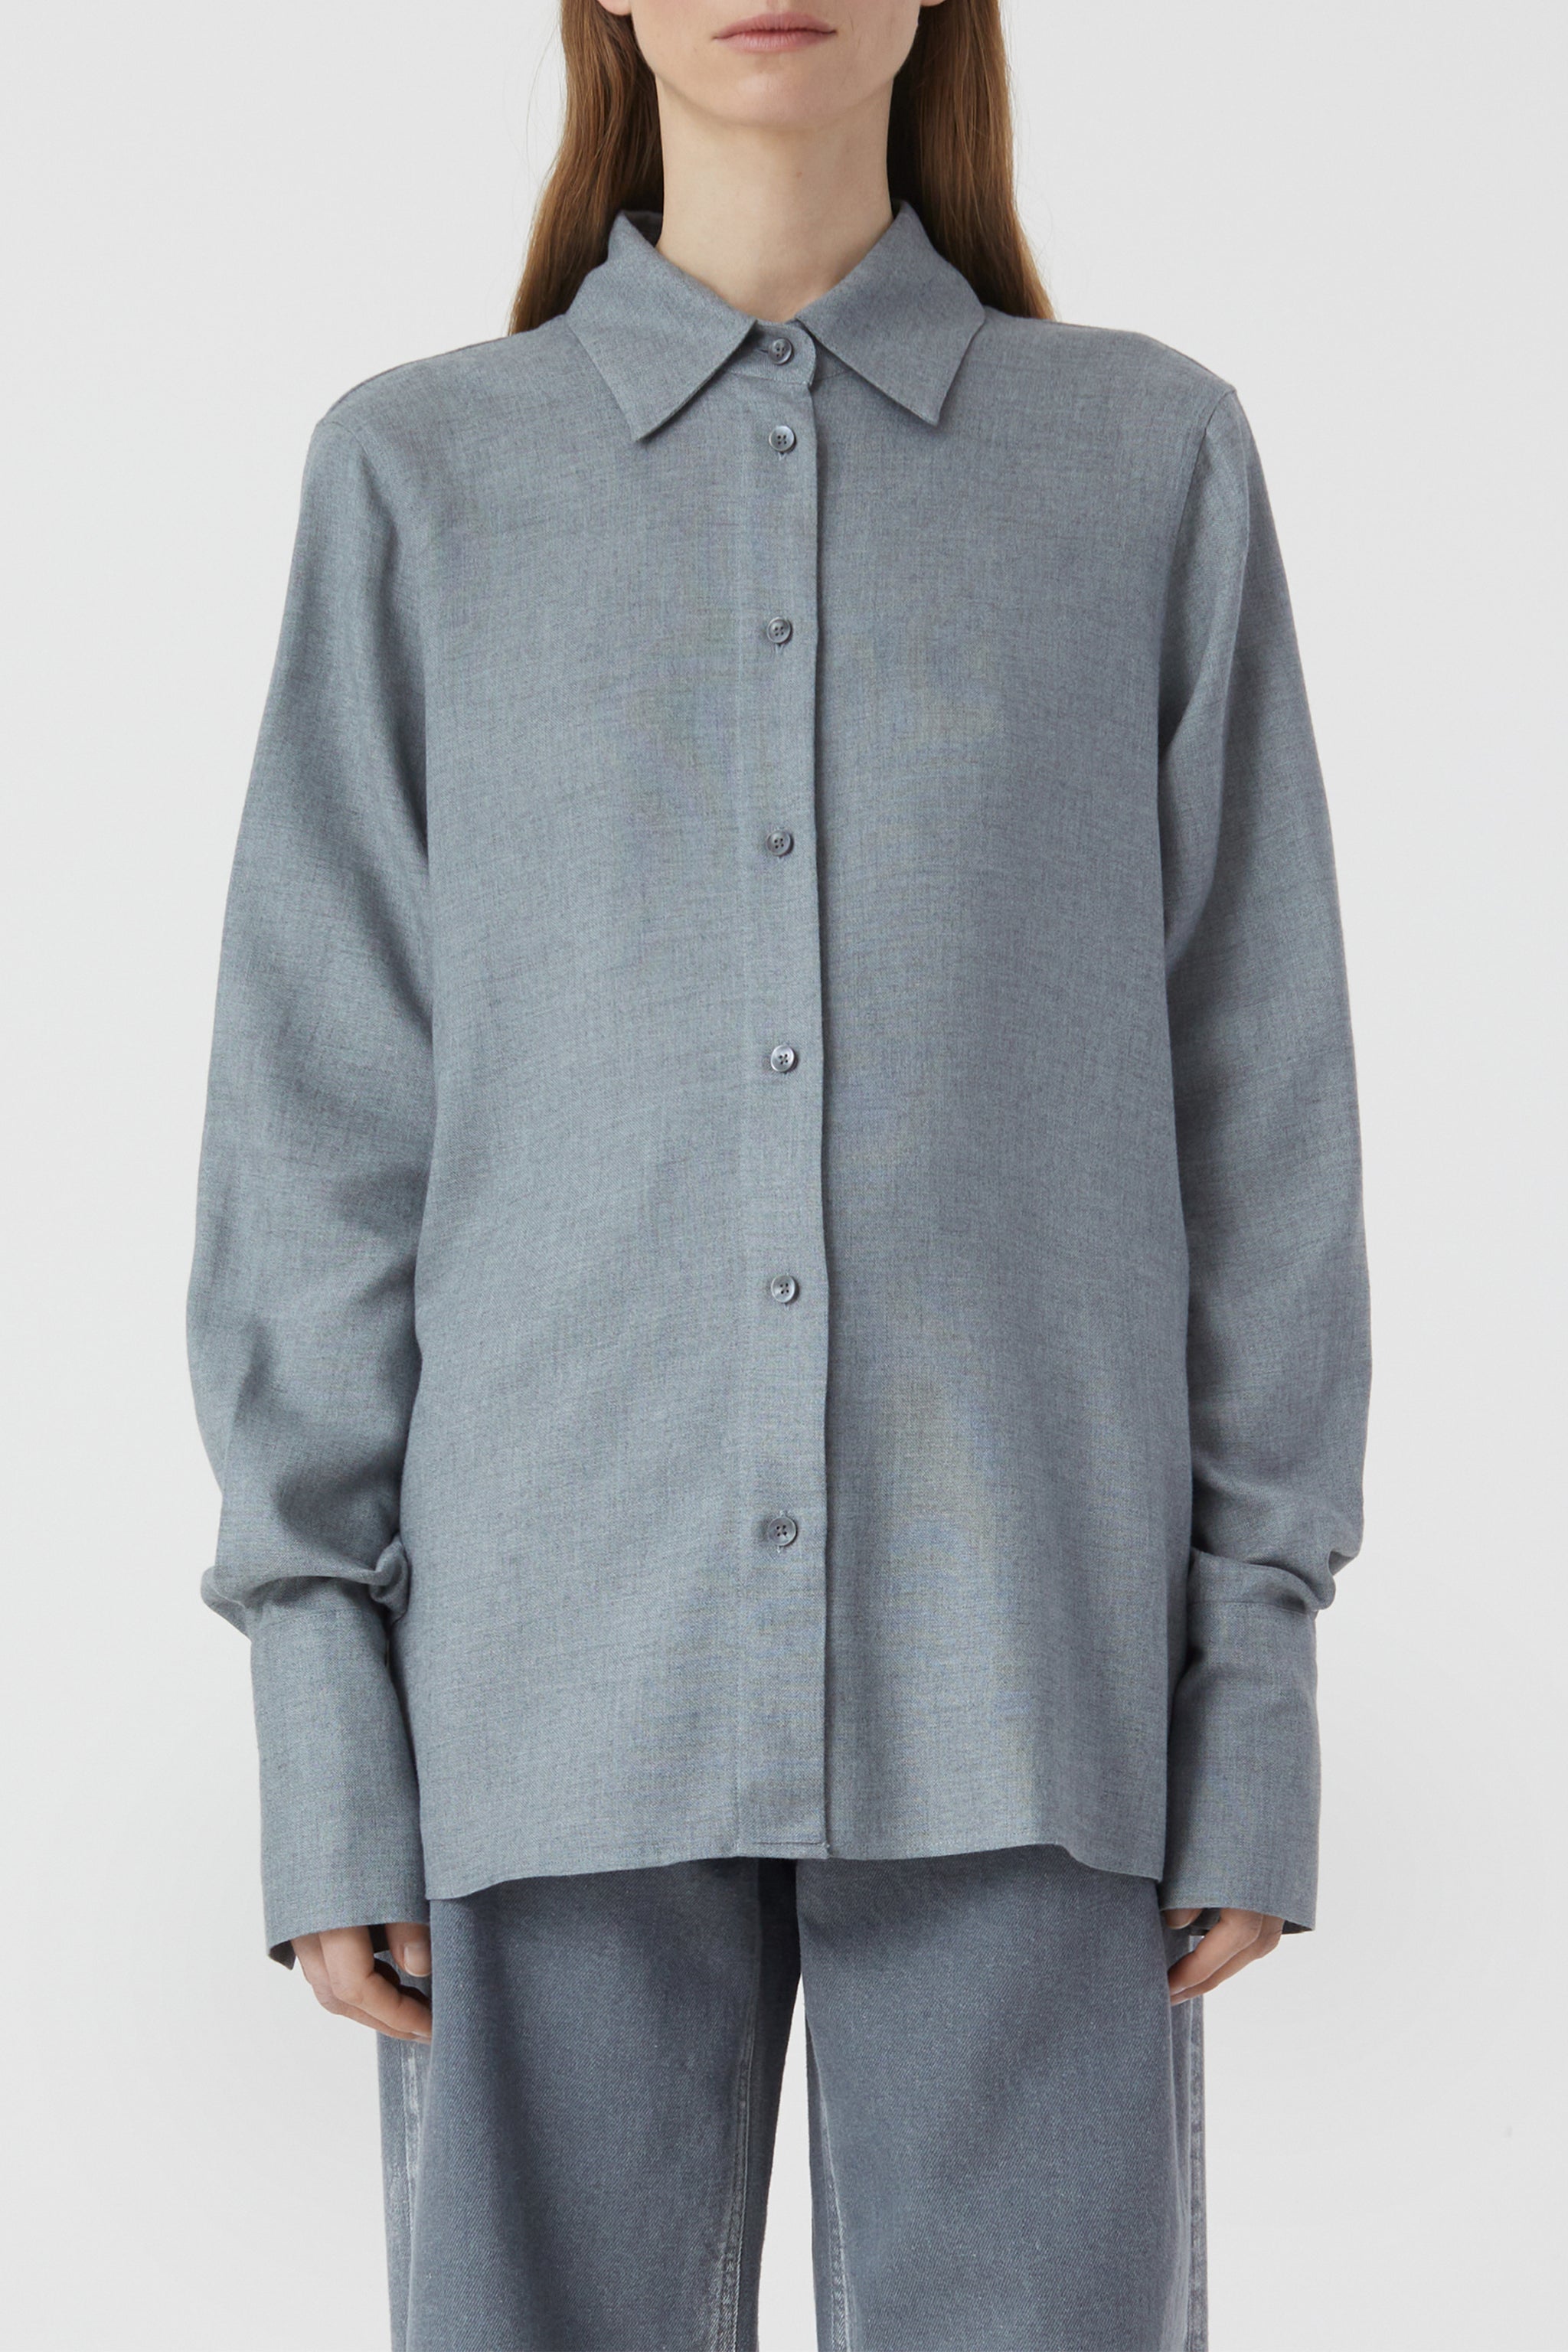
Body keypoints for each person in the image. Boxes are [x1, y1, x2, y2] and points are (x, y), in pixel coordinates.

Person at [186, 2, 1371, 2345]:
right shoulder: (420, 478)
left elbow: (1260, 1109)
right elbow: (316, 1123)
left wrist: (1251, 1684)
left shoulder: (1147, 463)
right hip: (543, 1686)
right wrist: (323, 1708)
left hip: (1031, 1670)